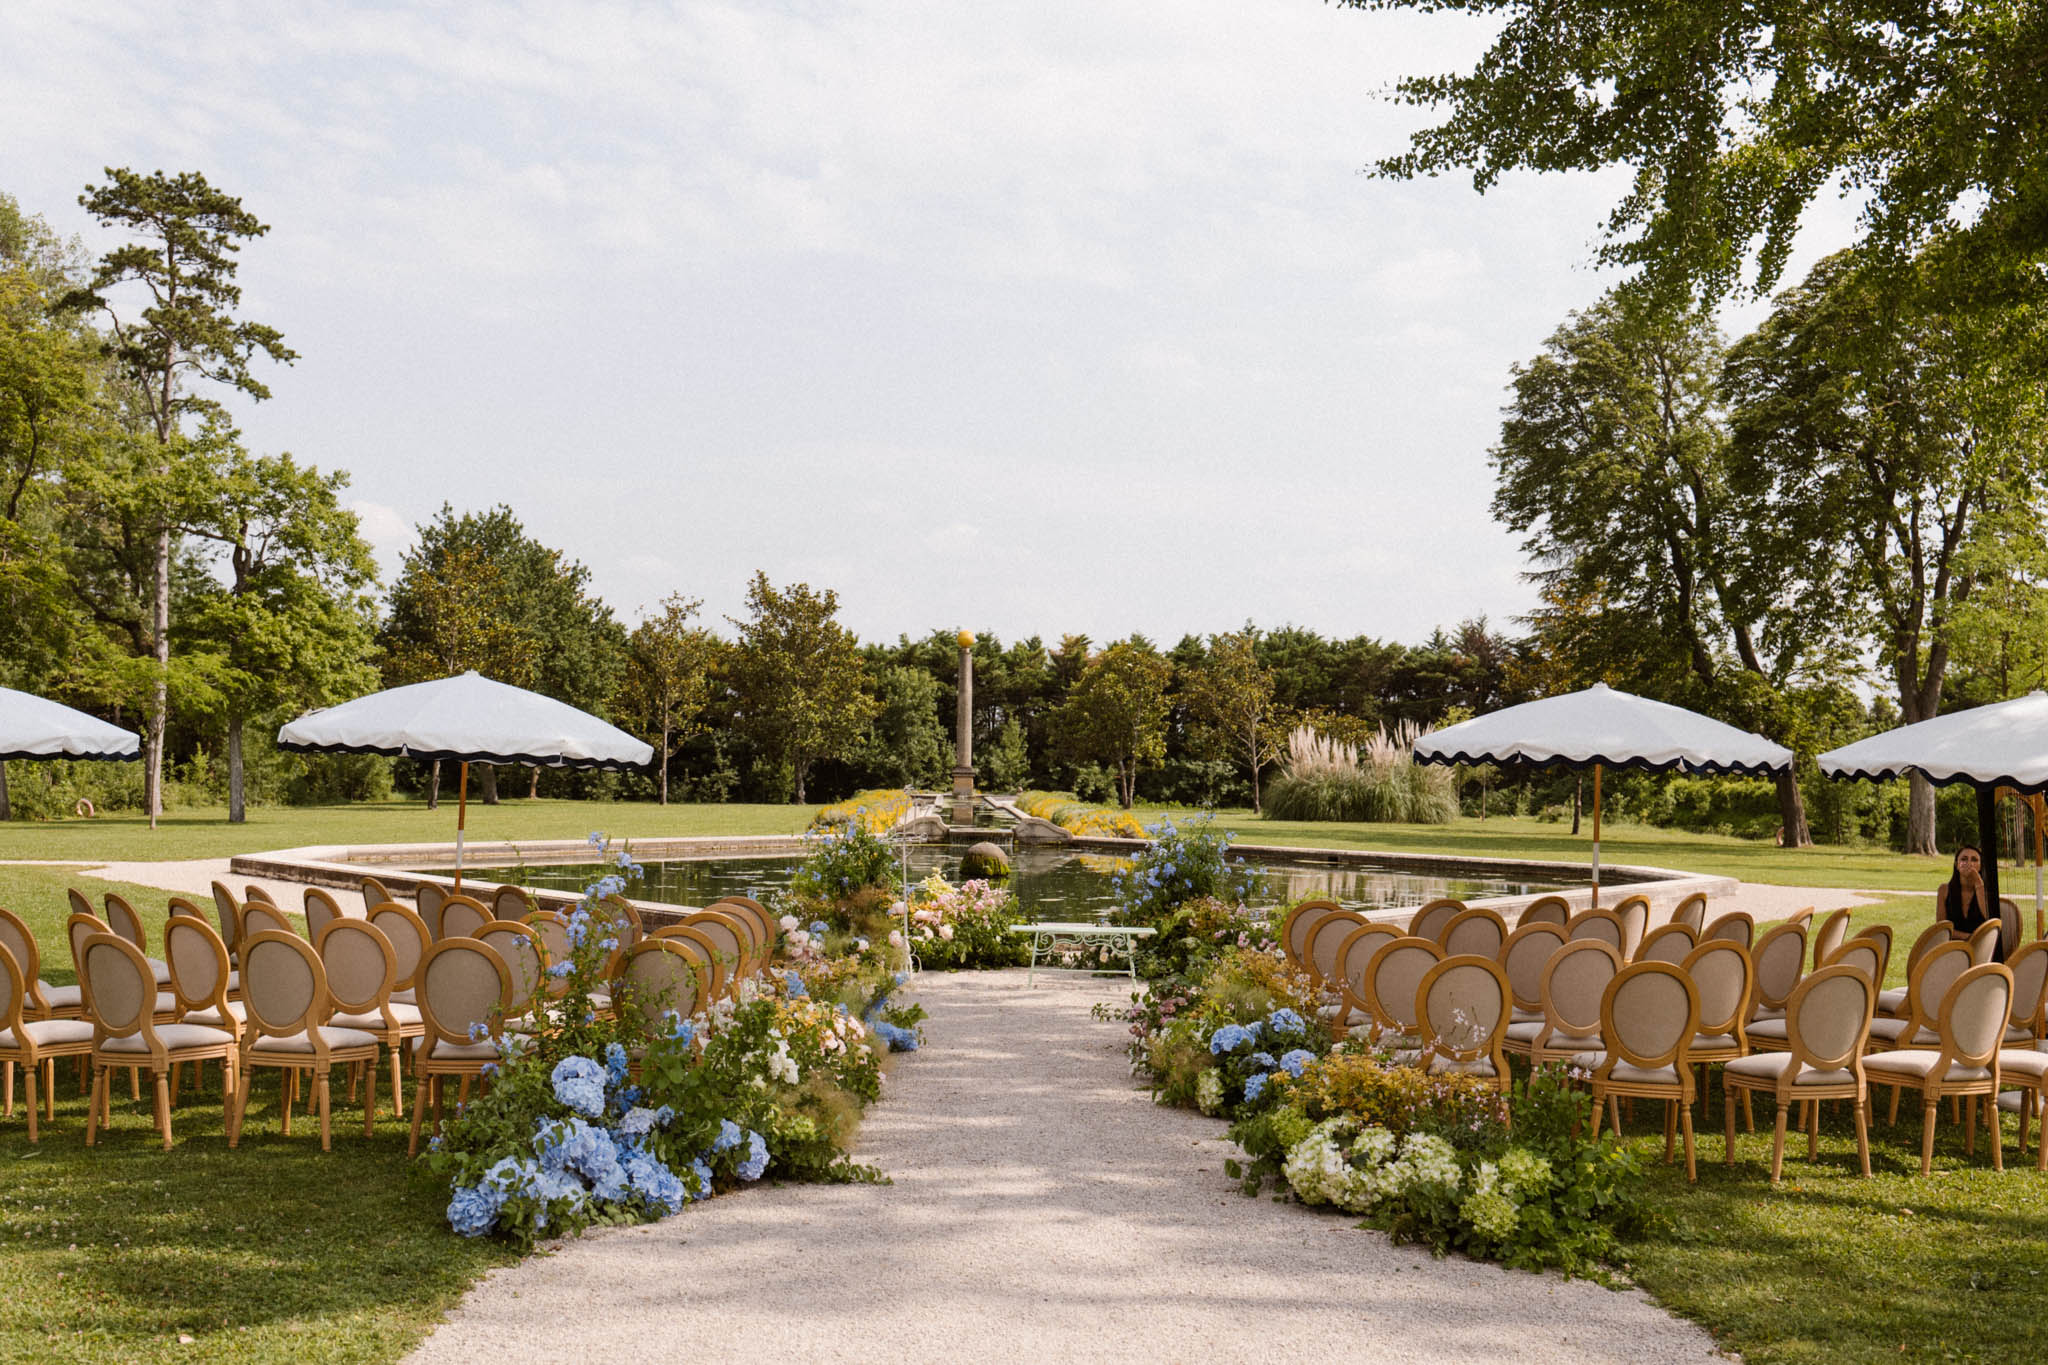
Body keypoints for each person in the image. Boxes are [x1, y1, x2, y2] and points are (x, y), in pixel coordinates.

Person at [1936, 843, 2003, 960]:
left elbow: (1989, 918)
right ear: (1957, 865)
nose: (1969, 863)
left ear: (1981, 866)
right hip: (1952, 948)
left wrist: (1978, 883)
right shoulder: (1944, 890)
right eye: (1964, 859)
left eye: (1974, 860)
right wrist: (1970, 937)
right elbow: (1942, 928)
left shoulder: (1987, 891)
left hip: (1983, 949)